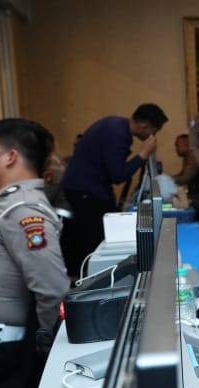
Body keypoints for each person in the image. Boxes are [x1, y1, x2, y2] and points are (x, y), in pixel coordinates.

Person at [0, 118, 69, 388]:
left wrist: (47, 355)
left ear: (10, 157)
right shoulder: (6, 203)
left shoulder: (23, 210)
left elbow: (53, 289)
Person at [60, 103, 166, 276]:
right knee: (98, 242)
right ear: (144, 126)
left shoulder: (114, 125)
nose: (152, 137)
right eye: (153, 131)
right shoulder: (118, 134)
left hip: (84, 189)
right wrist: (143, 154)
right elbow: (118, 175)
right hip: (87, 192)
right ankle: (97, 282)